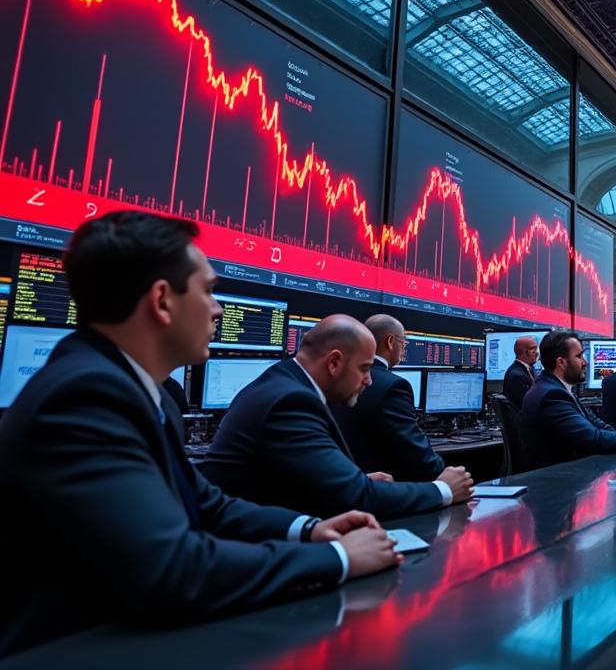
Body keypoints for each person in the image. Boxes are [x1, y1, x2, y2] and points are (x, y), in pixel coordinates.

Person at [0, 212, 400, 657]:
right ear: (162, 301)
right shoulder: (84, 397)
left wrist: (309, 530)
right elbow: (172, 568)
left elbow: (205, 502)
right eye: (208, 291)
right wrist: (338, 559)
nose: (218, 309)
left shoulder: (139, 390)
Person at [201, 315, 474, 519]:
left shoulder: (283, 382)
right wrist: (444, 489)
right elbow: (357, 498)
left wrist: (358, 480)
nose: (369, 381)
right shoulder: (290, 402)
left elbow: (286, 483)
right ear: (334, 362)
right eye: (364, 369)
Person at [518, 331, 616, 471]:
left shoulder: (557, 388)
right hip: (557, 481)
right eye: (579, 356)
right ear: (561, 362)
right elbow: (593, 438)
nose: (585, 362)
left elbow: (598, 425)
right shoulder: (551, 395)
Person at [332, 314, 445, 482]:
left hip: (342, 478)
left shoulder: (337, 376)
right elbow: (419, 457)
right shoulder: (393, 386)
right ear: (390, 342)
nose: (403, 349)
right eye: (403, 343)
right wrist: (446, 476)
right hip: (385, 486)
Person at [502, 335, 539, 410]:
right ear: (522, 352)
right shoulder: (517, 376)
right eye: (533, 349)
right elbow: (528, 404)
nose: (537, 353)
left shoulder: (529, 369)